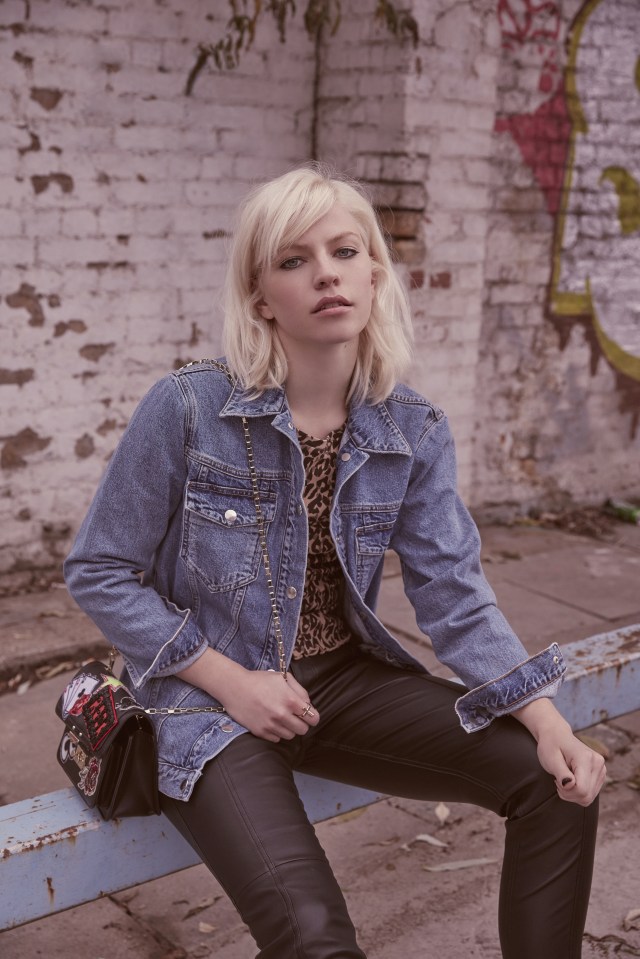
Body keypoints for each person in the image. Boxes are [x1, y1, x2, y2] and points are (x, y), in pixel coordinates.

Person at [64, 164, 606, 959]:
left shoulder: (411, 428)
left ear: (375, 273)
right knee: (317, 938)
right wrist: (233, 681)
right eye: (293, 260)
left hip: (343, 684)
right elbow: (99, 569)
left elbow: (453, 594)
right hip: (204, 701)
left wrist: (546, 716)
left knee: (556, 781)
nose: (325, 273)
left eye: (345, 251)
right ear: (260, 295)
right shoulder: (187, 407)